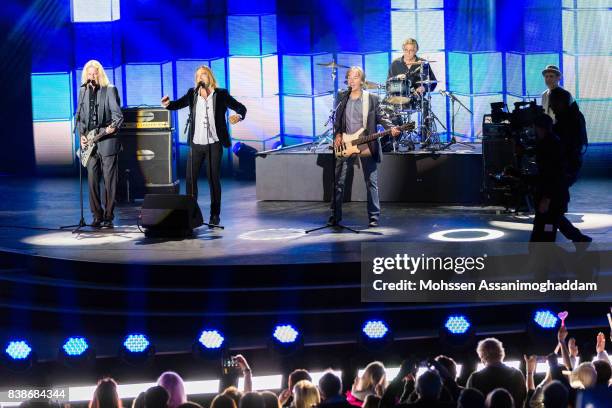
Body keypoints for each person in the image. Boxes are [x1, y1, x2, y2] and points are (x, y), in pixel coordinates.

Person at [162, 66, 246, 226]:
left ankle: (215, 215)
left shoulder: (221, 94)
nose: (201, 77)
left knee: (213, 179)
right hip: (196, 144)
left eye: (204, 74)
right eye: (198, 75)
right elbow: (177, 104)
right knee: (190, 179)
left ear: (210, 77)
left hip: (214, 144)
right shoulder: (192, 94)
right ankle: (191, 214)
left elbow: (240, 107)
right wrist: (167, 104)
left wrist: (239, 116)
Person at [331, 67, 400, 228]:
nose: (352, 80)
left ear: (362, 81)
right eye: (349, 77)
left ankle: (374, 216)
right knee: (338, 182)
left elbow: (382, 117)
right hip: (346, 143)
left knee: (371, 182)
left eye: (355, 77)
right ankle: (335, 215)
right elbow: (337, 119)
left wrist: (392, 128)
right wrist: (338, 134)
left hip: (366, 143)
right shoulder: (342, 97)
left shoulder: (372, 98)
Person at [77, 59, 124, 228]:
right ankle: (96, 215)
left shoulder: (110, 90)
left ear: (100, 74)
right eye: (89, 74)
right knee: (92, 179)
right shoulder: (82, 92)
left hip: (107, 140)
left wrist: (110, 129)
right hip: (90, 142)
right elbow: (81, 117)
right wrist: (81, 135)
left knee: (109, 180)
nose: (92, 77)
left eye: (94, 74)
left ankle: (108, 215)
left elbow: (118, 117)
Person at [548, 87, 591, 243]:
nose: (551, 107)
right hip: (567, 168)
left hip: (564, 168)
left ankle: (576, 238)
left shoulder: (568, 121)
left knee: (553, 209)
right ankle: (576, 238)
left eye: (553, 103)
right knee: (554, 209)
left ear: (561, 102)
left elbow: (564, 145)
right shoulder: (572, 116)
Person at [529, 114, 569, 242]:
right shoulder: (550, 142)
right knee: (546, 233)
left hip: (552, 199)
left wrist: (546, 198)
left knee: (545, 235)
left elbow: (552, 174)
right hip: (554, 197)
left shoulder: (549, 146)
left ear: (538, 127)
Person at [466, 338, 526, 407]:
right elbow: (522, 400)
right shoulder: (516, 374)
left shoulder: (475, 378)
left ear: (482, 357)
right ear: (502, 354)